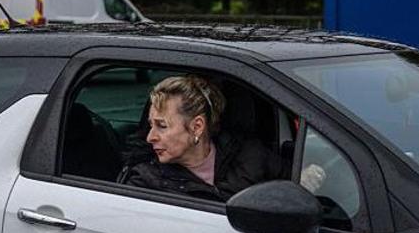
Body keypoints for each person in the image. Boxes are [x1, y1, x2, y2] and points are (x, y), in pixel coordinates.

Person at [117, 75, 325, 201]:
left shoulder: (249, 153)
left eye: (161, 126)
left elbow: (298, 179)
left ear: (197, 126)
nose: (150, 137)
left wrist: (306, 180)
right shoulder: (144, 182)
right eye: (151, 125)